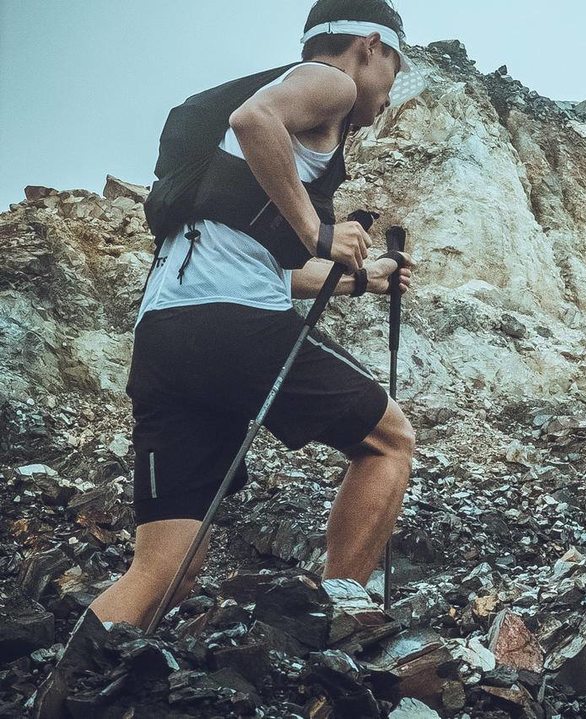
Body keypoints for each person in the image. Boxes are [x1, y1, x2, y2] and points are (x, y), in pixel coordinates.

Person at [89, 0, 422, 630]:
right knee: (389, 440)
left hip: (166, 335)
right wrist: (319, 229)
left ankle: (66, 681)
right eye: (396, 72)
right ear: (372, 46)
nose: (386, 96)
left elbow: (265, 267)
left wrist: (363, 280)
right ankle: (339, 616)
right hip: (230, 322)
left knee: (165, 569)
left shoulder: (236, 172)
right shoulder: (332, 79)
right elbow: (254, 117)